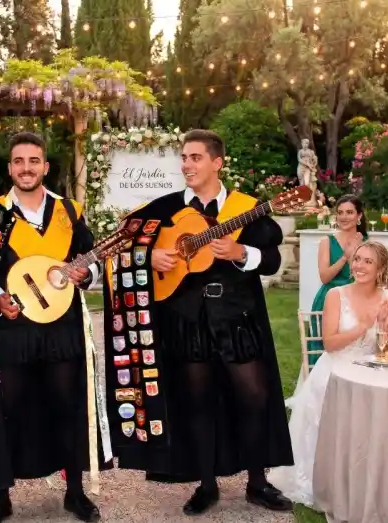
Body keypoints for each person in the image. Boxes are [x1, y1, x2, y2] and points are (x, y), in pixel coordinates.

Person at [103, 129, 294, 515]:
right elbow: (120, 244)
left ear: (217, 162)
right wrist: (150, 257)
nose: (187, 164)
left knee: (254, 397)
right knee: (197, 401)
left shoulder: (246, 208)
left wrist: (243, 252)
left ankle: (257, 481)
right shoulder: (164, 208)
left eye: (195, 158)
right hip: (186, 320)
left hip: (238, 318)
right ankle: (206, 484)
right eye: (184, 158)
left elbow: (273, 260)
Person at [0, 132, 109, 523]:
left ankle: (75, 492)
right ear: (11, 167)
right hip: (12, 331)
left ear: (45, 167)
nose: (26, 168)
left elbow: (92, 259)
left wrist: (87, 273)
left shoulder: (70, 211)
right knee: (5, 410)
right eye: (19, 161)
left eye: (34, 161)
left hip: (62, 327)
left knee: (68, 407)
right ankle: (1, 496)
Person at [269, 241, 388, 508]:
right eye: (357, 259)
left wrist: (383, 326)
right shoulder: (336, 295)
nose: (359, 265)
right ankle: (323, 482)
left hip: (370, 373)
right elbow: (330, 343)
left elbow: (386, 349)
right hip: (335, 371)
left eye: (368, 261)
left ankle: (362, 483)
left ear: (381, 268)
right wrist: (364, 325)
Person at [308, 195, 366, 366]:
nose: (344, 217)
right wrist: (345, 257)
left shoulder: (368, 244)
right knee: (324, 351)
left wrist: (355, 256)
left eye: (349, 212)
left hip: (358, 301)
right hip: (329, 299)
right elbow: (324, 276)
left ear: (359, 216)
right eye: (340, 212)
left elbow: (367, 279)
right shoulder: (327, 241)